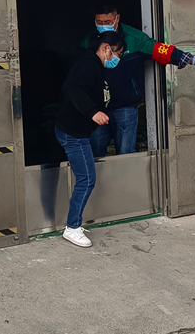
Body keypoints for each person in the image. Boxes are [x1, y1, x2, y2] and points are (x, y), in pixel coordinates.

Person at [82, 2, 195, 157]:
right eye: (99, 22)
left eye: (107, 22)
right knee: (95, 154)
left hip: (125, 107)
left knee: (126, 155)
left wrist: (192, 60)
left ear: (117, 19)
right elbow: (79, 74)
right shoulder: (89, 41)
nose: (103, 26)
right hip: (97, 108)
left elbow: (161, 50)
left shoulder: (134, 38)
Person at [54, 30, 126, 248]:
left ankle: (74, 224)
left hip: (77, 132)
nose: (117, 58)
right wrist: (93, 112)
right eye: (117, 53)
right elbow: (74, 89)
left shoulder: (92, 64)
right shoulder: (88, 65)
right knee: (86, 179)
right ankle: (72, 227)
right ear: (106, 48)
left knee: (85, 178)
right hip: (73, 134)